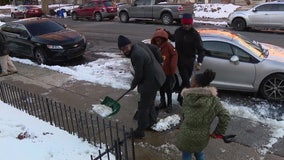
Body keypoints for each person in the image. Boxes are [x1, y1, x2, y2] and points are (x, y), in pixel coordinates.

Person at [117, 35, 166, 139]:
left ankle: (140, 132)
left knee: (143, 108)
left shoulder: (136, 55)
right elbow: (154, 48)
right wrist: (159, 61)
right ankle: (152, 122)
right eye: (122, 49)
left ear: (130, 44)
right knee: (150, 102)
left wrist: (133, 84)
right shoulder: (140, 44)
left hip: (151, 81)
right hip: (157, 76)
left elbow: (139, 74)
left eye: (126, 48)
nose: (125, 51)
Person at [175, 69, 230, 160]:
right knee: (199, 153)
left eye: (191, 81)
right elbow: (225, 116)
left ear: (195, 85)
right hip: (202, 137)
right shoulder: (214, 100)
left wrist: (183, 123)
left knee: (186, 155)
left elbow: (185, 114)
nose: (190, 83)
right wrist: (218, 132)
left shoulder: (187, 97)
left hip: (186, 135)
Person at [166, 13, 205, 105]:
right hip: (179, 60)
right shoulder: (179, 31)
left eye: (188, 24)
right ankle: (188, 101)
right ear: (182, 23)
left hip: (189, 61)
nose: (186, 26)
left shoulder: (195, 34)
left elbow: (201, 50)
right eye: (185, 24)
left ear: (191, 24)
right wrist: (166, 33)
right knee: (187, 82)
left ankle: (180, 96)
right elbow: (173, 38)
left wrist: (199, 62)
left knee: (185, 81)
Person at [151, 29, 178, 113]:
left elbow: (174, 54)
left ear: (163, 39)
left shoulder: (168, 46)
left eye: (159, 40)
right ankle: (163, 103)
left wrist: (172, 66)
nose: (158, 41)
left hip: (168, 73)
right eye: (156, 40)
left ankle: (169, 104)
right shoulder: (155, 47)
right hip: (159, 73)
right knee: (161, 89)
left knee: (168, 89)